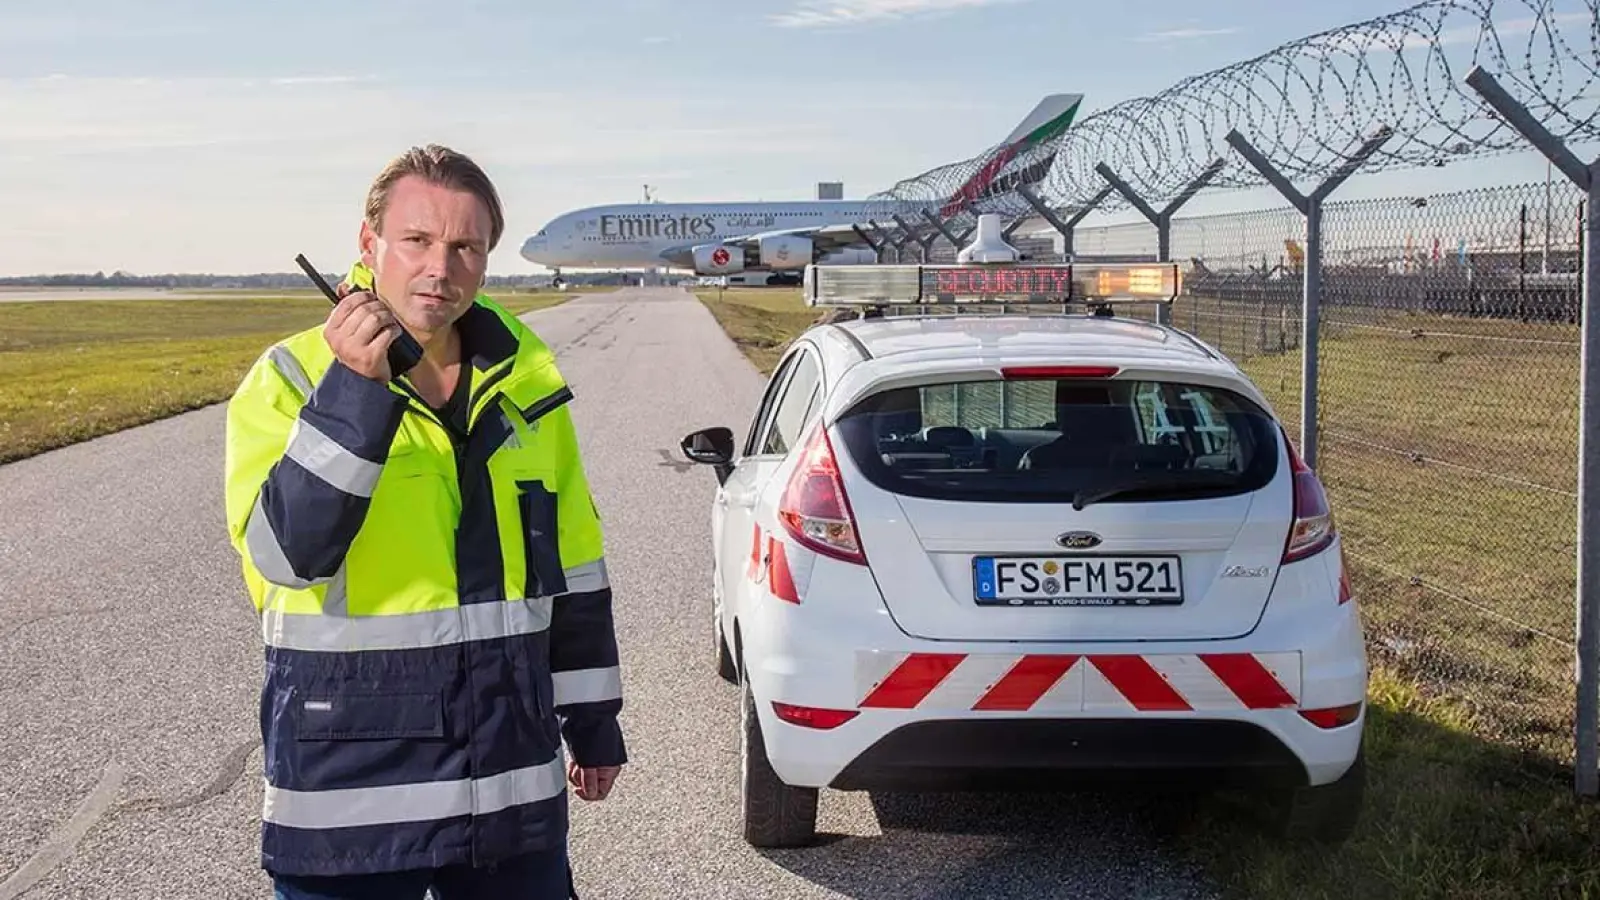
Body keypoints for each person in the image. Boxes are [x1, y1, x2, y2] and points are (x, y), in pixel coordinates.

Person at [223, 144, 626, 899]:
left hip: (507, 786)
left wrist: (593, 720)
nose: (441, 267)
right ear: (369, 243)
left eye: (466, 246)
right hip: (354, 794)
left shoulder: (525, 381)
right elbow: (284, 557)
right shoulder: (290, 380)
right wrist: (354, 392)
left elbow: (572, 565)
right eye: (417, 240)